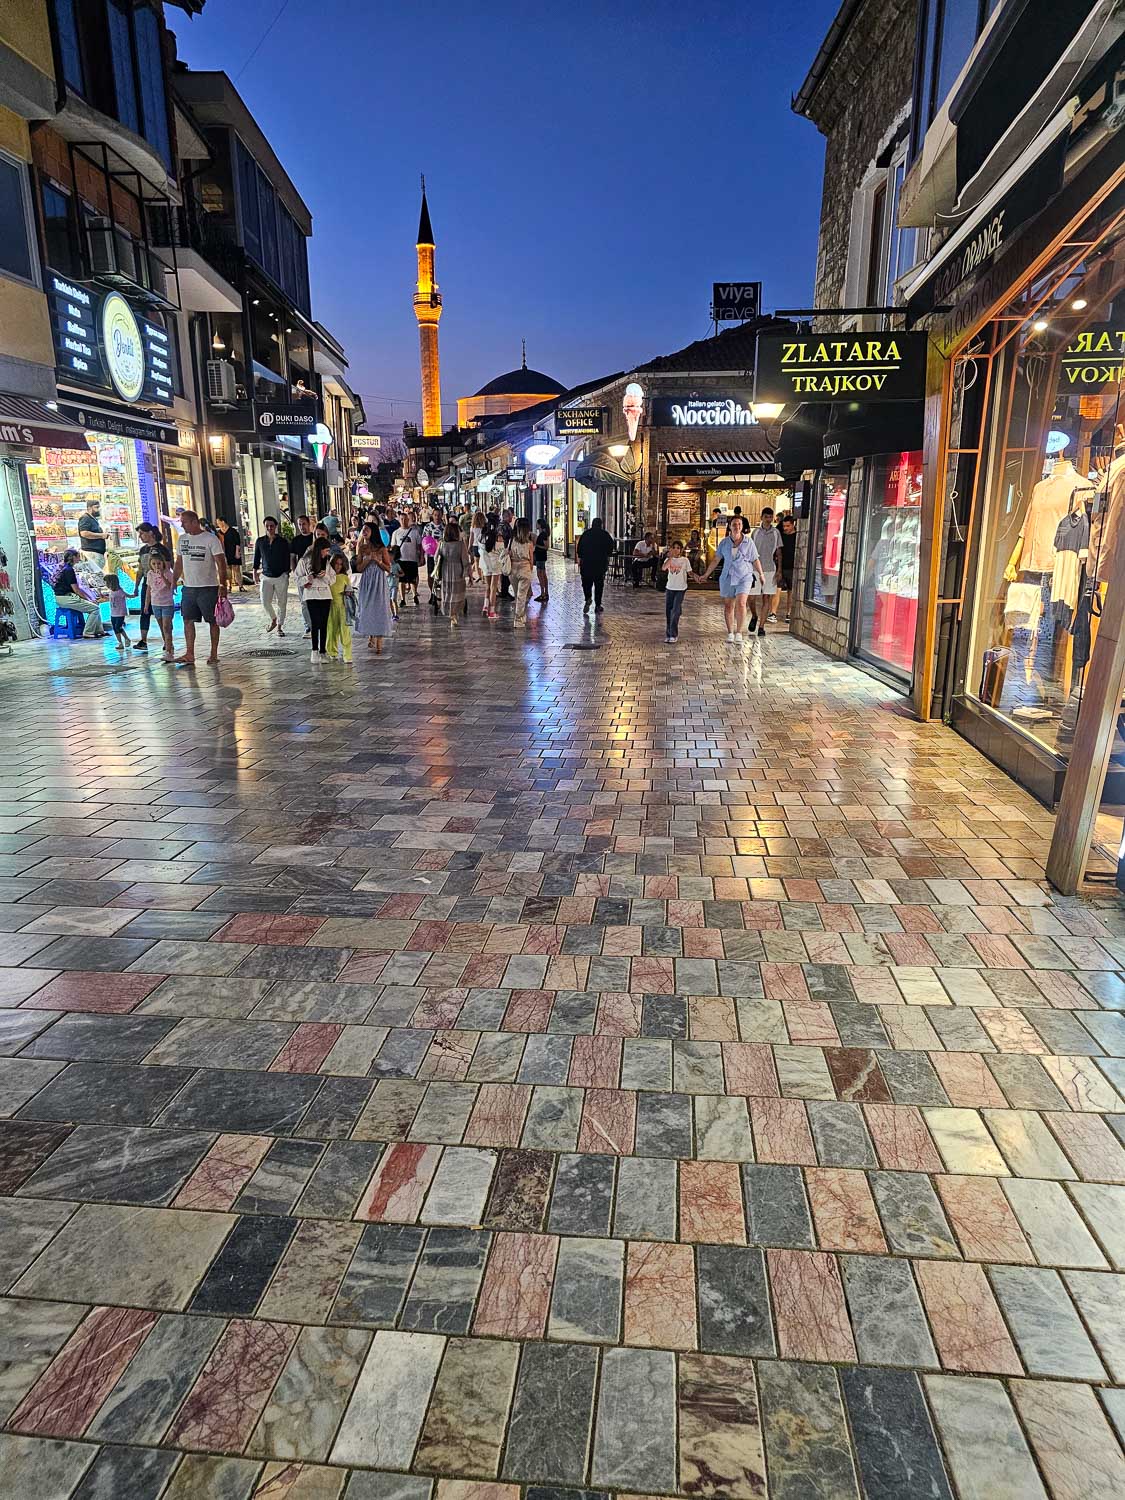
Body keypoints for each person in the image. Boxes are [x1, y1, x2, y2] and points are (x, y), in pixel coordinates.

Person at [172, 509, 229, 665]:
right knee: (187, 619)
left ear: (194, 522)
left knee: (212, 621)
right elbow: (179, 562)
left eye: (184, 522)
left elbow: (221, 563)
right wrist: (174, 580)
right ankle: (189, 653)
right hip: (189, 587)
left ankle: (213, 653)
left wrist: (223, 583)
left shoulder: (211, 539)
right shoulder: (182, 539)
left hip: (208, 587)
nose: (182, 525)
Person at [697, 514, 764, 642]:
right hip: (728, 576)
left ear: (742, 526)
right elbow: (717, 559)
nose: (737, 527)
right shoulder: (724, 542)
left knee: (741, 602)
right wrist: (706, 574)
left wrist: (761, 574)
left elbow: (755, 559)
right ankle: (730, 632)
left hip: (744, 576)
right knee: (728, 605)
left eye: (739, 524)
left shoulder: (748, 542)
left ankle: (739, 631)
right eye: (734, 524)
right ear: (730, 526)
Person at [354, 521, 394, 653]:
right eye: (363, 530)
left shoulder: (382, 548)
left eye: (367, 530)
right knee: (366, 607)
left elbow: (388, 568)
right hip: (366, 581)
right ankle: (370, 633)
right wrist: (367, 560)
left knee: (379, 607)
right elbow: (359, 568)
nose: (364, 532)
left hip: (378, 581)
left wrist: (378, 561)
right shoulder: (362, 548)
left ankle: (379, 641)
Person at [132, 522, 173, 652]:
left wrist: (168, 581)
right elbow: (140, 569)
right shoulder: (143, 550)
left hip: (161, 584)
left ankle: (167, 641)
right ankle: (143, 640)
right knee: (145, 611)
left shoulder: (162, 549)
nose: (140, 536)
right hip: (147, 581)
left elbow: (168, 567)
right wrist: (136, 585)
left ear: (150, 533)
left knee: (162, 616)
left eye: (142, 533)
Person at [49, 551, 105, 637]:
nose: (79, 559)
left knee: (95, 604)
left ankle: (99, 630)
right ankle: (88, 632)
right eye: (78, 557)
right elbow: (76, 590)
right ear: (73, 557)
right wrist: (89, 599)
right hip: (66, 598)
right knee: (95, 609)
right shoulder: (69, 570)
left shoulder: (63, 567)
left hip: (61, 597)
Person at [253, 516, 292, 636]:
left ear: (276, 526)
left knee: (282, 602)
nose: (269, 528)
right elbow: (256, 558)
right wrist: (255, 572)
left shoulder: (283, 541)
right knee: (265, 601)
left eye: (272, 526)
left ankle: (280, 626)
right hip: (266, 576)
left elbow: (287, 557)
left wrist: (287, 572)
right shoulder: (260, 541)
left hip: (281, 576)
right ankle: (273, 619)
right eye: (267, 526)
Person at [295, 537, 333, 658]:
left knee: (324, 624)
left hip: (325, 595)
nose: (327, 553)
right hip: (311, 594)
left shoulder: (327, 562)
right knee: (315, 623)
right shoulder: (305, 561)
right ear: (319, 549)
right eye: (325, 550)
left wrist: (325, 576)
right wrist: (308, 579)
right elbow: (297, 578)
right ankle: (314, 650)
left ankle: (323, 651)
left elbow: (333, 579)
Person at [749, 508, 783, 635]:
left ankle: (761, 627)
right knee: (751, 597)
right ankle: (754, 615)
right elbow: (750, 551)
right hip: (755, 569)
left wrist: (779, 570)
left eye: (770, 517)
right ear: (762, 517)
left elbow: (779, 552)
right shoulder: (756, 532)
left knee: (766, 596)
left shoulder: (776, 532)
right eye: (766, 517)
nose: (768, 519)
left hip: (770, 569)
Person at [576, 515, 614, 614]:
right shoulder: (605, 535)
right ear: (601, 525)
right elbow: (610, 549)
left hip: (587, 564)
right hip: (600, 564)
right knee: (599, 585)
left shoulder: (586, 534)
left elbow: (579, 549)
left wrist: (581, 558)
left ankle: (588, 597)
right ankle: (597, 605)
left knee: (586, 583)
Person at [437, 519, 470, 629]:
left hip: (445, 571)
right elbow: (465, 560)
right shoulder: (460, 545)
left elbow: (436, 557)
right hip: (458, 571)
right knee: (458, 594)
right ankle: (454, 614)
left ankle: (451, 614)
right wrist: (468, 575)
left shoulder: (442, 544)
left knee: (447, 593)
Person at [145, 552, 177, 660]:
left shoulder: (168, 573)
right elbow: (149, 590)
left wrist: (162, 576)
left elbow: (170, 587)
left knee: (166, 626)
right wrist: (146, 605)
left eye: (159, 563)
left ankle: (168, 652)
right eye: (154, 564)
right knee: (162, 627)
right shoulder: (150, 574)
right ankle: (168, 644)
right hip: (155, 603)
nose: (156, 566)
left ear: (163, 563)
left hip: (167, 603)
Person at [325, 552, 354, 664]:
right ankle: (332, 652)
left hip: (343, 607)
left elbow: (350, 592)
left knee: (345, 631)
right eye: (336, 564)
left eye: (340, 564)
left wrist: (348, 594)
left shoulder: (344, 577)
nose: (338, 566)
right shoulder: (328, 577)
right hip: (330, 607)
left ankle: (347, 654)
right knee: (331, 630)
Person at [662, 539, 691, 643]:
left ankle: (674, 634)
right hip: (670, 588)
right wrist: (670, 557)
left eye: (678, 548)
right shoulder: (669, 560)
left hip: (680, 588)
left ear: (681, 550)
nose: (675, 550)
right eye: (674, 548)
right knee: (669, 612)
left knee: (675, 610)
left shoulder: (685, 560)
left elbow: (689, 572)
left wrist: (697, 577)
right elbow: (664, 568)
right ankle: (668, 633)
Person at [290, 515, 315, 636]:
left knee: (314, 600)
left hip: (313, 573)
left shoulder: (314, 538)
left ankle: (315, 623)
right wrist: (295, 573)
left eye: (303, 524)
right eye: (299, 524)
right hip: (301, 574)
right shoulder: (296, 540)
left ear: (309, 524)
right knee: (303, 601)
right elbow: (292, 558)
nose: (302, 527)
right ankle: (308, 626)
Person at [478, 514, 507, 619]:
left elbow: (479, 549)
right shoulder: (499, 538)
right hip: (495, 565)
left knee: (487, 586)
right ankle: (492, 611)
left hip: (485, 564)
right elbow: (502, 552)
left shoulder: (482, 536)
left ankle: (485, 606)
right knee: (494, 588)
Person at [392, 508, 422, 607]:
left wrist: (421, 556)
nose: (403, 521)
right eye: (401, 519)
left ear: (408, 520)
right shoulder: (396, 533)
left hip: (412, 559)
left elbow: (419, 546)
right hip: (401, 560)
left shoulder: (414, 532)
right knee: (402, 580)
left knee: (413, 579)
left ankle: (414, 595)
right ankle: (402, 599)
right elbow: (393, 546)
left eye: (405, 519)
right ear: (399, 520)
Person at [510, 518, 535, 627]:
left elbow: (509, 555)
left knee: (517, 595)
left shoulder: (512, 541)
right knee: (522, 596)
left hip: (513, 569)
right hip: (525, 568)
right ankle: (518, 619)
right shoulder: (529, 544)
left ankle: (521, 615)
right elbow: (531, 560)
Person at [216, 517, 244, 591]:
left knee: (236, 569)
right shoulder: (219, 533)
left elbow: (237, 542)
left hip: (234, 552)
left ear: (223, 522)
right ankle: (229, 586)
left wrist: (237, 552)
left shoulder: (233, 531)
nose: (218, 524)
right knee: (228, 570)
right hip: (225, 553)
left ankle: (240, 586)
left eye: (219, 522)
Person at [778, 513, 798, 622]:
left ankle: (789, 613)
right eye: (784, 526)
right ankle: (772, 612)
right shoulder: (782, 536)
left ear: (793, 525)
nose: (785, 528)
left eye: (788, 526)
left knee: (791, 590)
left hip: (792, 566)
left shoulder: (797, 536)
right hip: (782, 565)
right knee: (777, 588)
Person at [76, 499, 106, 568]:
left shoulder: (93, 518)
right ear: (89, 508)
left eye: (98, 507)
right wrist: (101, 535)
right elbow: (84, 533)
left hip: (96, 553)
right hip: (92, 553)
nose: (98, 510)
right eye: (96, 507)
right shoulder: (85, 518)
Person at [105, 571, 130, 648]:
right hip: (113, 612)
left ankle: (126, 639)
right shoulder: (111, 592)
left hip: (120, 612)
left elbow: (128, 595)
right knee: (115, 627)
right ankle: (120, 642)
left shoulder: (120, 591)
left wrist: (134, 595)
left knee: (118, 627)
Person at [498, 507, 515, 598]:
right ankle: (504, 591)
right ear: (507, 517)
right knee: (506, 571)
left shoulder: (500, 525)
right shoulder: (506, 526)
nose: (512, 517)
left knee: (503, 571)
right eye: (511, 516)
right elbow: (509, 539)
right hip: (505, 551)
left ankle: (503, 590)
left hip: (499, 551)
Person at [533, 516, 550, 604]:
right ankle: (545, 593)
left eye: (537, 523)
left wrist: (536, 545)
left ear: (540, 525)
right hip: (540, 556)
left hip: (541, 556)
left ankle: (543, 593)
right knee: (543, 574)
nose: (536, 525)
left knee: (541, 574)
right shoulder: (542, 533)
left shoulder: (543, 534)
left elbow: (546, 547)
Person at [469, 509, 485, 584]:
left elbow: (471, 538)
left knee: (476, 561)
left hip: (475, 545)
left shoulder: (473, 527)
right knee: (483, 561)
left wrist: (469, 546)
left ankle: (479, 576)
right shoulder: (484, 527)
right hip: (483, 546)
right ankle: (483, 576)